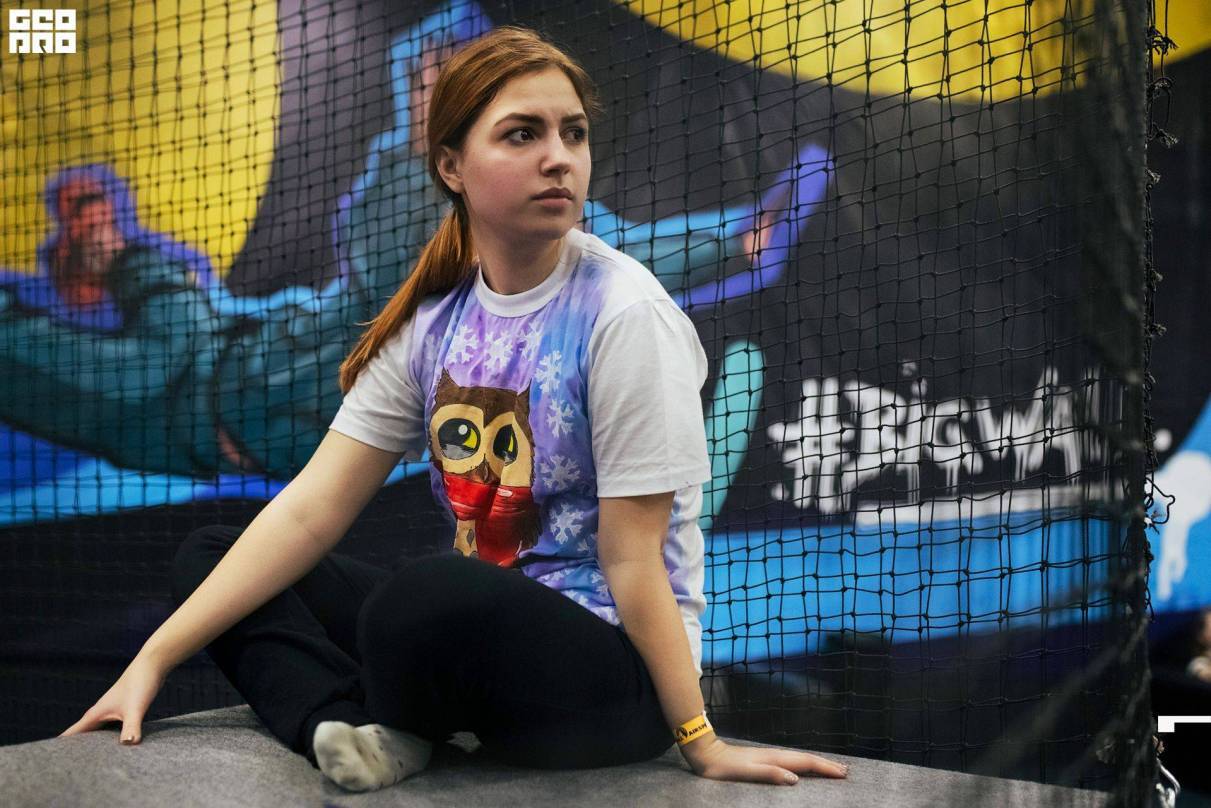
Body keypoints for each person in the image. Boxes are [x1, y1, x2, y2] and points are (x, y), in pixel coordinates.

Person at [58, 25, 850, 792]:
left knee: (428, 595)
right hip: (482, 646)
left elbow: (633, 558)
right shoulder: (434, 321)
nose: (558, 157)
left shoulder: (623, 314)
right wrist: (153, 661)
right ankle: (344, 728)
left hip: (612, 681)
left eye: (572, 133)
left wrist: (698, 740)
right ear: (450, 166)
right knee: (214, 554)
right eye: (522, 134)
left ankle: (403, 719)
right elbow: (309, 510)